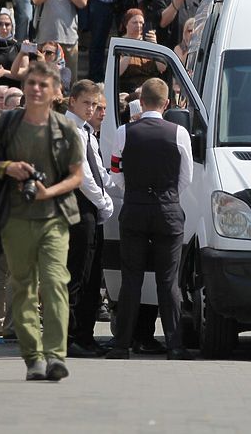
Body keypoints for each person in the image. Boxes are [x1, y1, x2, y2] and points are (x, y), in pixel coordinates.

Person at [0, 61, 85, 382]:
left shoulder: (65, 128)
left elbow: (77, 176)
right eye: (31, 83)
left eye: (43, 85)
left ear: (54, 92)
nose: (36, 89)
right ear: (25, 87)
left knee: (54, 283)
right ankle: (33, 357)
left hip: (54, 217)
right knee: (22, 286)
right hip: (15, 217)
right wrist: (6, 168)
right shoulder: (8, 122)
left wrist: (48, 191)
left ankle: (55, 355)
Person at [107, 78, 194, 361]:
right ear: (167, 104)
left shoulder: (124, 132)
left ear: (140, 101)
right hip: (167, 209)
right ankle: (175, 345)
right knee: (168, 282)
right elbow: (186, 177)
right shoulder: (179, 133)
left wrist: (132, 192)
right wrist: (166, 195)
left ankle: (122, 345)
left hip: (134, 208)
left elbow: (115, 171)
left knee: (131, 279)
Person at [64, 81, 115, 358]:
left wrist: (118, 186)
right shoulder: (72, 129)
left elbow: (99, 172)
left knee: (92, 276)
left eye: (94, 104)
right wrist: (103, 200)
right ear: (72, 102)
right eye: (86, 103)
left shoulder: (88, 132)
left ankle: (85, 335)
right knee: (76, 275)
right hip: (77, 205)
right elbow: (82, 176)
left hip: (90, 208)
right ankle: (69, 337)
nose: (91, 109)